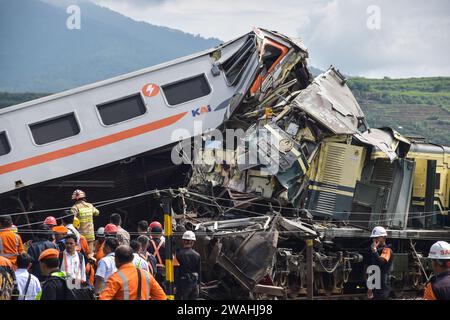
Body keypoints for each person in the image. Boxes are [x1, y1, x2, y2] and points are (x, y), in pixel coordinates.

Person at [99, 245, 167, 300]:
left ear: (116, 259)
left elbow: (104, 298)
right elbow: (162, 297)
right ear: (132, 258)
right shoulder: (146, 275)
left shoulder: (115, 278)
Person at [367, 226, 393, 300]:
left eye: (377, 237)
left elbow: (381, 262)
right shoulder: (375, 252)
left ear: (383, 238)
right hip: (376, 285)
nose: (374, 239)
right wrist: (370, 287)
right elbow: (373, 268)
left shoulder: (387, 250)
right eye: (373, 238)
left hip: (383, 285)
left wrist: (375, 251)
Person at [175, 231, 201, 300]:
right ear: (193, 242)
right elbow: (199, 271)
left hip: (181, 283)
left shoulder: (177, 254)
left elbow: (176, 271)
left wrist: (175, 285)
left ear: (183, 241)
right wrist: (198, 285)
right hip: (193, 284)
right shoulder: (197, 255)